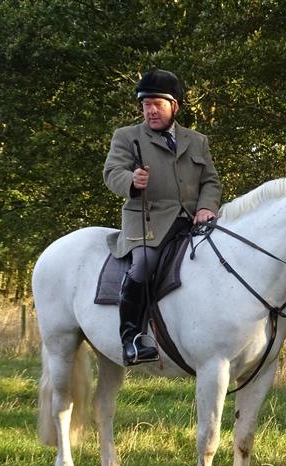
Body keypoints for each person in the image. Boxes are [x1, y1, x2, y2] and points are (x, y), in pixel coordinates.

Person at [103, 68, 222, 366]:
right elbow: (112, 173)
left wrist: (206, 207)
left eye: (157, 104)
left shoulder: (197, 140)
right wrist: (132, 181)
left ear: (174, 106)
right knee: (144, 264)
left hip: (193, 221)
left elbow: (211, 181)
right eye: (146, 105)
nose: (151, 110)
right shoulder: (127, 137)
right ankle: (131, 339)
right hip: (148, 222)